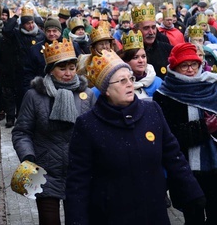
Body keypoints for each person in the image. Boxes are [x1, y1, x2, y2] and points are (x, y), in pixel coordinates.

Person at [65, 49, 205, 224]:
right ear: (106, 89)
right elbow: (78, 180)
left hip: (153, 212)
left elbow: (174, 156)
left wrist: (193, 192)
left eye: (130, 78)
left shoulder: (152, 111)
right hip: (111, 215)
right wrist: (76, 220)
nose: (130, 84)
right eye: (122, 81)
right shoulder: (88, 125)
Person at [154, 42, 217, 225]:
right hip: (186, 171)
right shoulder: (164, 95)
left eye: (194, 64)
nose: (190, 70)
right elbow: (168, 137)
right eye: (184, 65)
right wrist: (202, 128)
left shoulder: (215, 90)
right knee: (193, 219)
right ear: (174, 67)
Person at [11, 39, 96, 225]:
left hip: (78, 172)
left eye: (72, 68)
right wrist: (28, 156)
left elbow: (96, 132)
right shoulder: (34, 96)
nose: (68, 73)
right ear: (50, 70)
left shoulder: (87, 95)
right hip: (45, 172)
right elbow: (21, 131)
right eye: (62, 68)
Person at [132, 3, 172, 79]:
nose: (151, 32)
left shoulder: (167, 49)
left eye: (153, 27)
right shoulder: (127, 54)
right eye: (146, 28)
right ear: (135, 30)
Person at [119, 30, 162, 99]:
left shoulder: (158, 82)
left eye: (143, 56)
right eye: (135, 57)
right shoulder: (118, 85)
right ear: (126, 61)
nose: (141, 61)